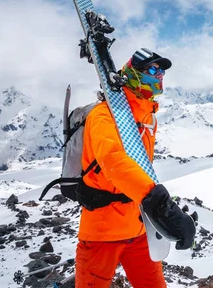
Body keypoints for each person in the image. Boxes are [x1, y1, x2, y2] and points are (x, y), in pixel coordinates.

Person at [75, 48, 195, 288]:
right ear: (133, 73)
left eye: (161, 71)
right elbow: (114, 161)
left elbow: (140, 167)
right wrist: (162, 205)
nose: (159, 75)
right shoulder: (104, 115)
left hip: (140, 228)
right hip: (103, 232)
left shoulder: (148, 118)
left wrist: (154, 210)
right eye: (152, 69)